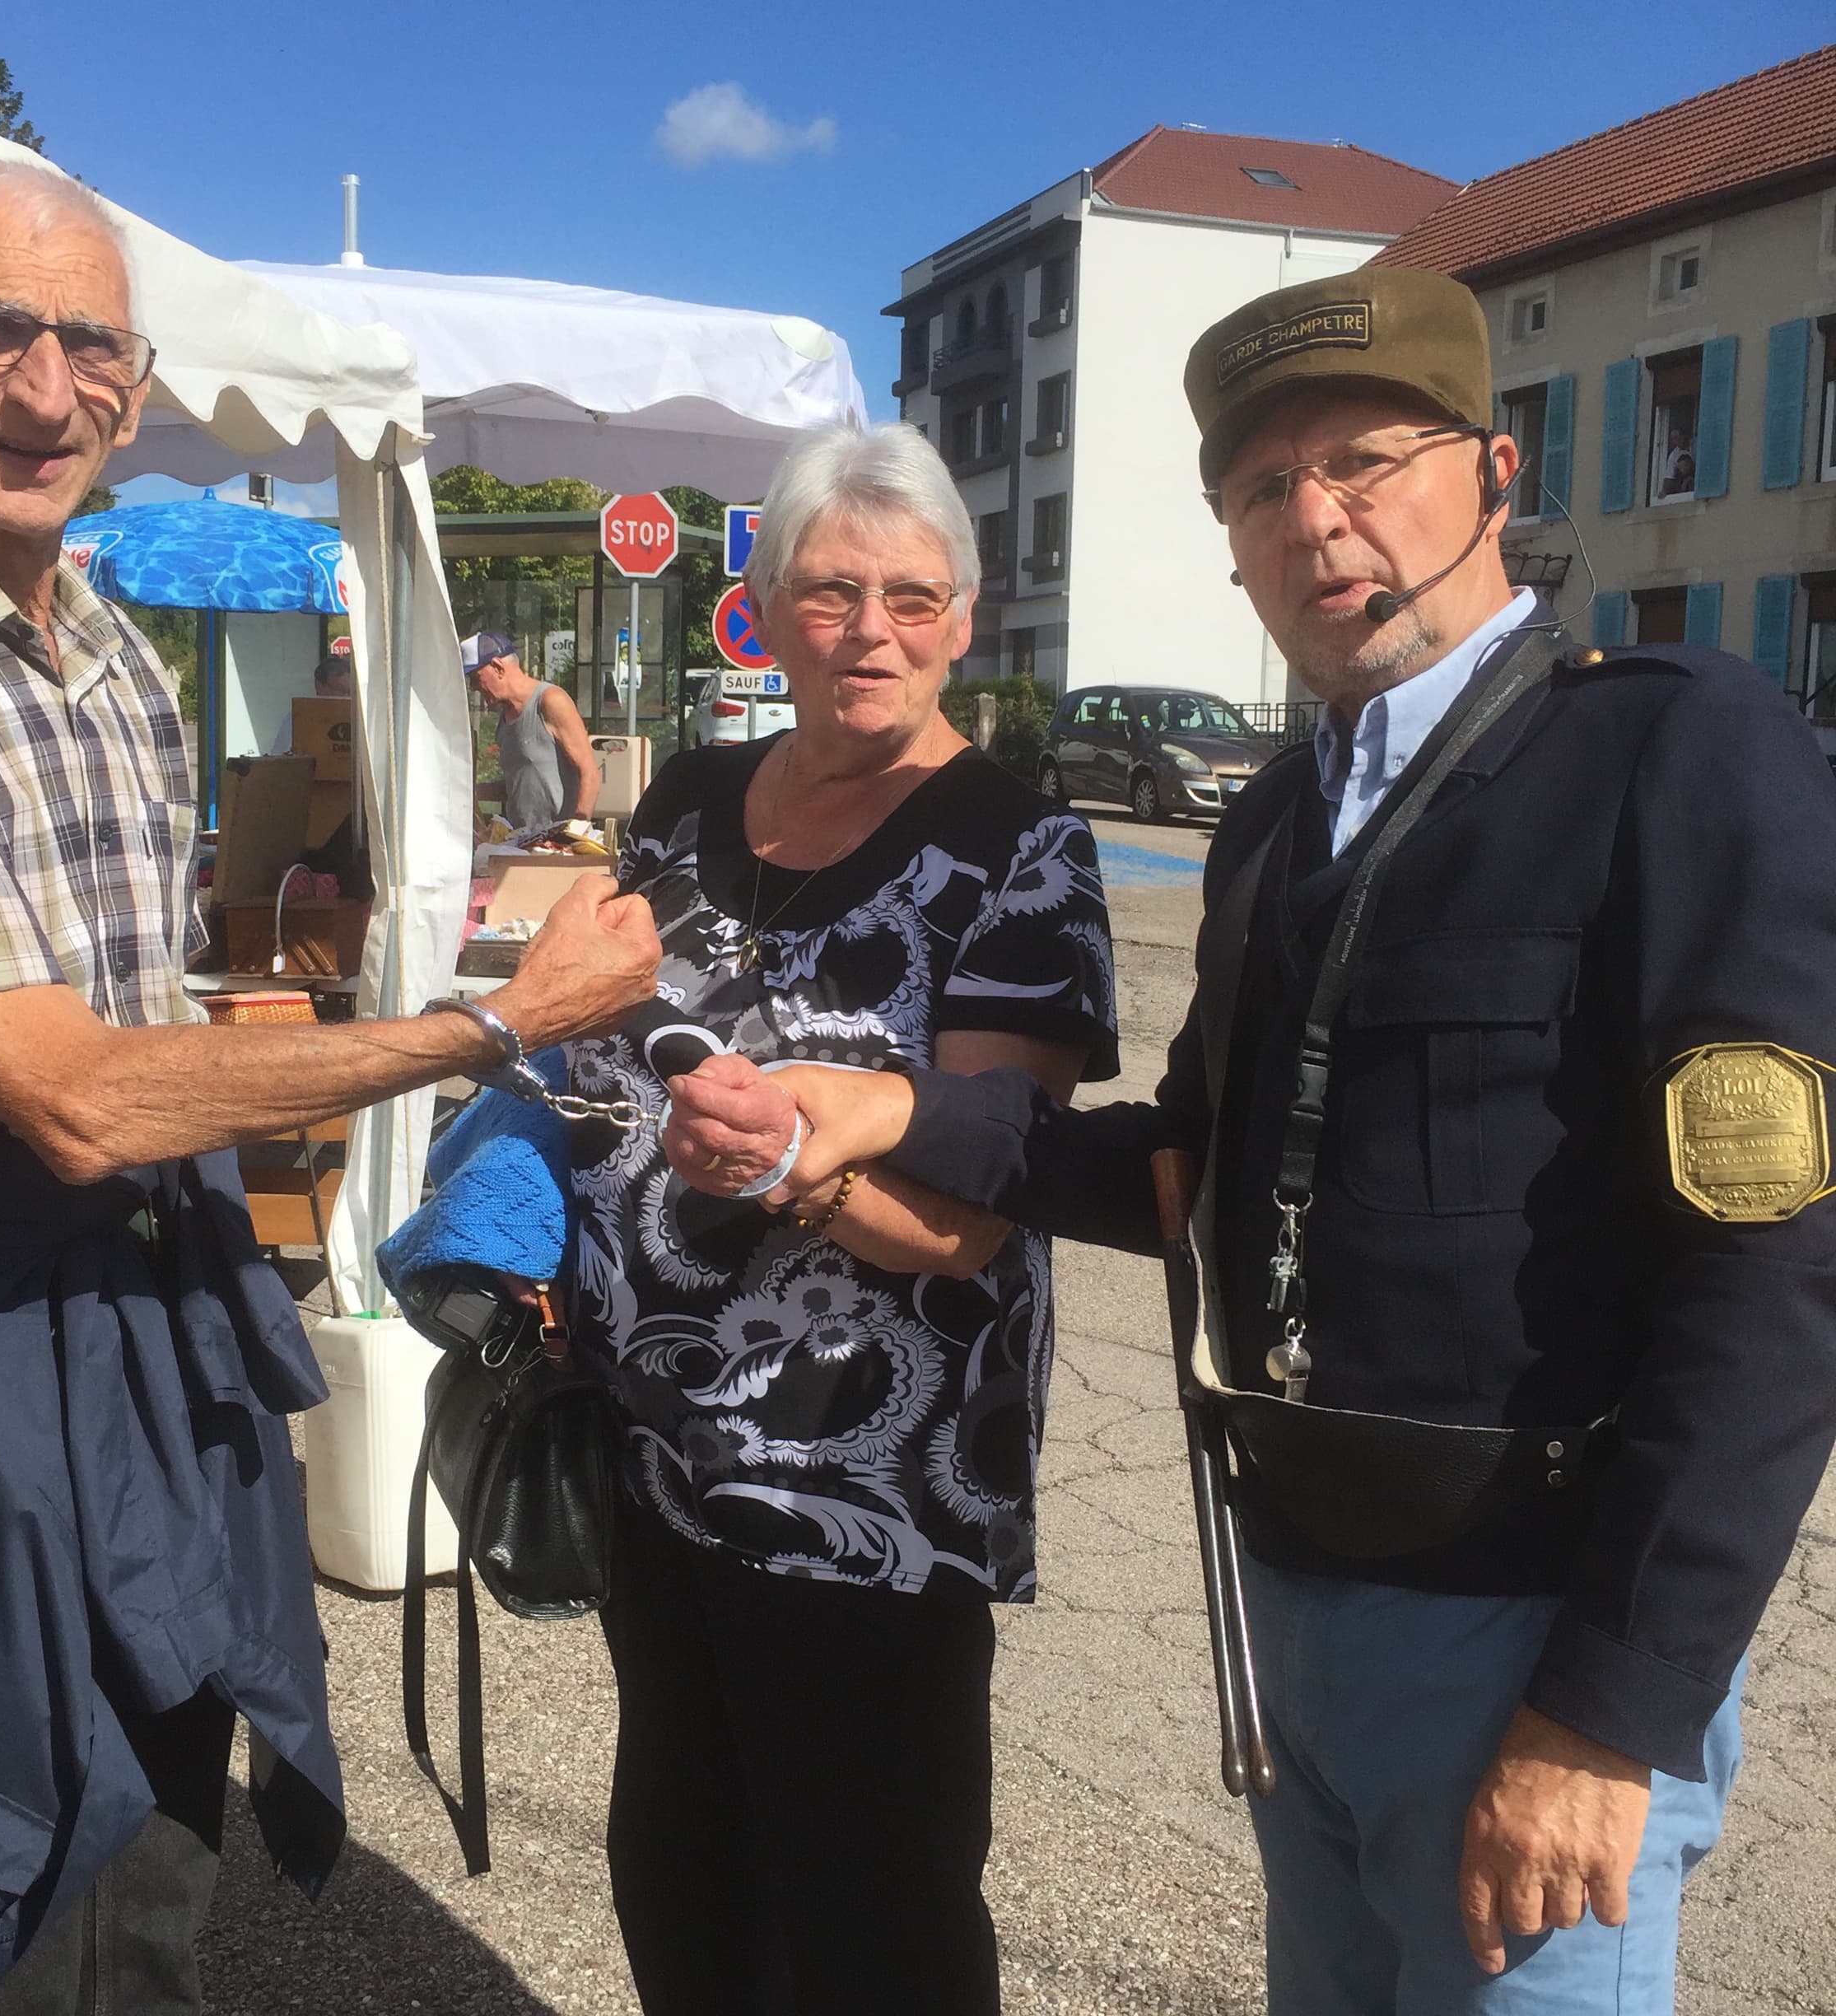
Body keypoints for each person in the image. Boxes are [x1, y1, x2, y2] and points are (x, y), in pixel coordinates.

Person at [661, 267, 1836, 2014]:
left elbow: (1773, 1270)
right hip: (1291, 1602)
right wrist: (892, 1108)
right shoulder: (1285, 815)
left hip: (1524, 1627)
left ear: (1495, 474)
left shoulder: (1671, 753)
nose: (1321, 523)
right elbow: (1185, 1161)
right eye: (1264, 491)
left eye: (1370, 462)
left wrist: (1611, 1709)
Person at [0, 156, 659, 2014]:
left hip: (152, 1297)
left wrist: (311, 928)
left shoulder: (112, 653)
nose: (47, 388)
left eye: (90, 343)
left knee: (159, 1841)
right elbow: (69, 1097)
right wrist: (492, 1024)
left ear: (132, 381)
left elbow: (143, 1000)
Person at [561, 422, 1118, 2015]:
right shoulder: (683, 797)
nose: (869, 629)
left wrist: (786, 1161)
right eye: (830, 590)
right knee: (679, 1859)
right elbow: (599, 1035)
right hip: (658, 1446)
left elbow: (981, 1223)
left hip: (867, 1489)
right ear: (766, 607)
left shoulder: (1020, 849)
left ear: (960, 617)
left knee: (872, 1902)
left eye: (910, 596)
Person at [464, 628, 601, 828]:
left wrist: (576, 832)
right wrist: (473, 791)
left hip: (556, 845)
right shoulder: (505, 720)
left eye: (476, 678)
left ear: (497, 667)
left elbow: (590, 772)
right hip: (521, 843)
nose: (473, 687)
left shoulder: (551, 701)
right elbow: (521, 787)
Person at [268, 647, 354, 753]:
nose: (346, 698)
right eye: (340, 691)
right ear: (320, 686)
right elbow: (280, 756)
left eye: (350, 693)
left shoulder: (357, 719)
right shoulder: (299, 719)